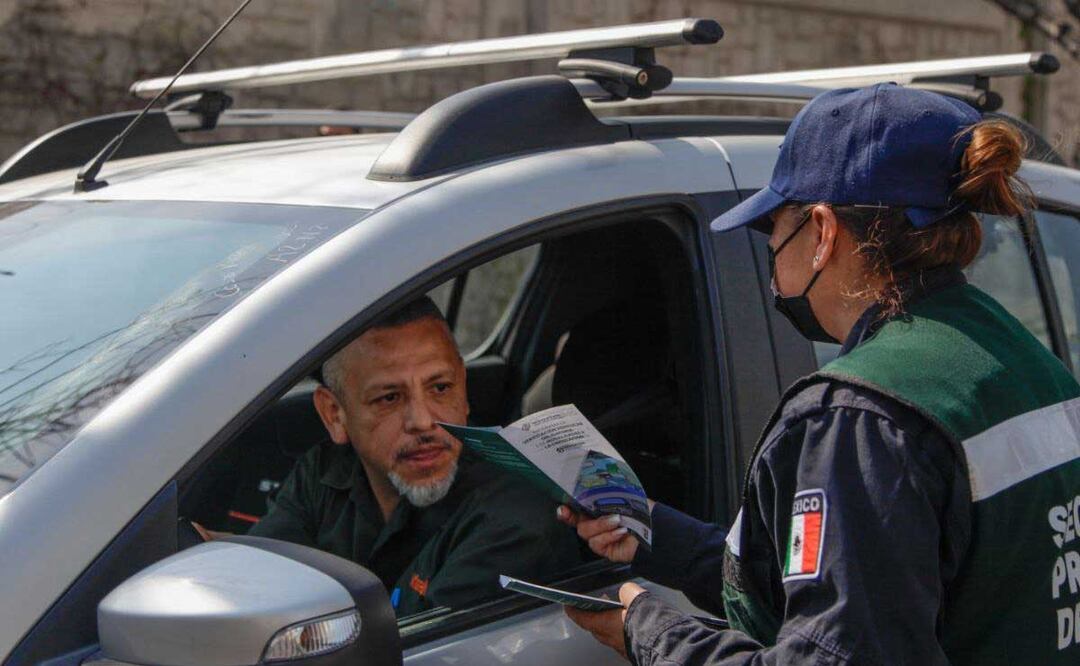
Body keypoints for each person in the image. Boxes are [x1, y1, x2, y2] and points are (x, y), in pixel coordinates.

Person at [558, 83, 1080, 664]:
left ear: (823, 232)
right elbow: (862, 588)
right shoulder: (1020, 359)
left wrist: (649, 631)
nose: (772, 257)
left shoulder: (860, 419)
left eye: (774, 230)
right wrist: (658, 534)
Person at [247, 296, 582, 615]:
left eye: (440, 388)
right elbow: (255, 584)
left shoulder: (515, 517)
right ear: (335, 414)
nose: (423, 422)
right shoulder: (324, 472)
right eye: (389, 398)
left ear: (463, 388)